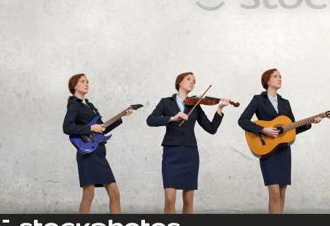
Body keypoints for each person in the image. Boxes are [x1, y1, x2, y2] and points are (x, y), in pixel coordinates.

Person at [238, 68, 321, 214]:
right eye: (276, 76)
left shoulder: (285, 103)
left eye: (280, 76)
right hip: (267, 151)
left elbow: (292, 128)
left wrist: (310, 123)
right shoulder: (258, 100)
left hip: (283, 151)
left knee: (282, 193)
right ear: (267, 81)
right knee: (274, 194)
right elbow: (243, 121)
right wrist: (263, 130)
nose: (279, 79)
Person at [146, 72, 231, 213]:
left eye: (194, 81)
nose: (192, 82)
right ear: (179, 82)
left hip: (190, 153)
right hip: (171, 152)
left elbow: (211, 129)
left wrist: (220, 109)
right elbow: (150, 120)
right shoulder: (166, 102)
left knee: (188, 200)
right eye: (189, 79)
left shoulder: (195, 105)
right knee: (170, 199)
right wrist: (172, 118)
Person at [62, 73, 135, 213]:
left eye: (87, 81)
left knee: (114, 193)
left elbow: (102, 128)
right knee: (89, 195)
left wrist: (122, 116)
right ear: (74, 86)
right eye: (83, 81)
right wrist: (90, 128)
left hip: (99, 152)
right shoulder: (74, 105)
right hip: (88, 154)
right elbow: (67, 127)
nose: (86, 84)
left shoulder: (89, 105)